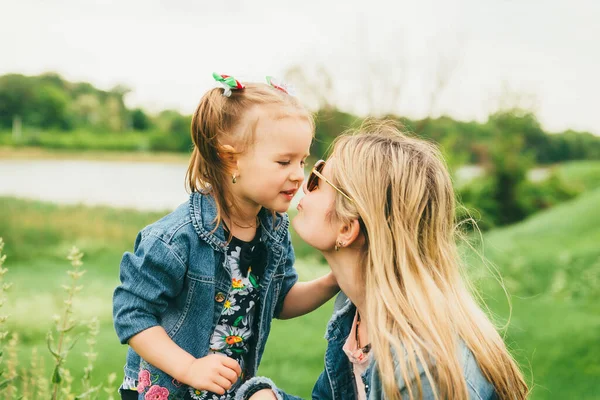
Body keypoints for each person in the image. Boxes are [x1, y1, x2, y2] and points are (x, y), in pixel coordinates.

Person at [237, 121, 529, 400]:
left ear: (347, 228)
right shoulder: (357, 309)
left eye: (318, 179)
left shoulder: (422, 373)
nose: (302, 183)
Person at [112, 73, 339, 400]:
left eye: (302, 160)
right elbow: (131, 312)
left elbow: (281, 299)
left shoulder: (273, 230)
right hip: (165, 392)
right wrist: (189, 368)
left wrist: (333, 281)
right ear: (231, 159)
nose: (297, 174)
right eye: (283, 161)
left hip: (227, 391)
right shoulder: (178, 237)